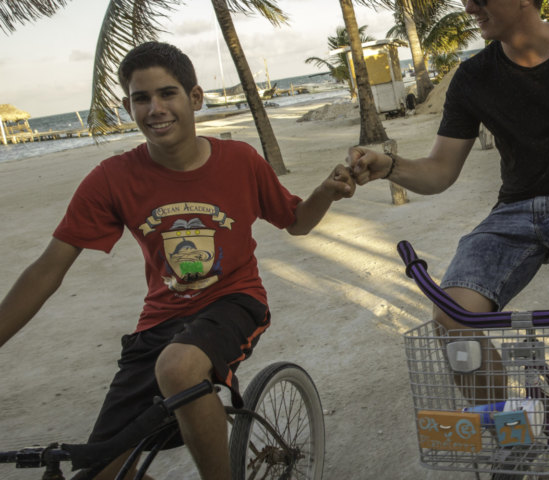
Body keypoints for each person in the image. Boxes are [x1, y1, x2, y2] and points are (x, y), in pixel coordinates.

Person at [0, 42, 355, 480]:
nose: (155, 108)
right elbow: (48, 268)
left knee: (178, 366)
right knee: (100, 470)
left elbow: (296, 222)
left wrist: (325, 191)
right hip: (159, 322)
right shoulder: (112, 178)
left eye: (167, 94)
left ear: (195, 98)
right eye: (140, 98)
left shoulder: (240, 161)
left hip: (234, 301)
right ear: (128, 105)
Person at [348, 0, 549, 452]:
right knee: (452, 316)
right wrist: (388, 165)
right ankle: (515, 437)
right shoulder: (472, 78)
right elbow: (439, 170)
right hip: (514, 213)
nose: (469, 6)